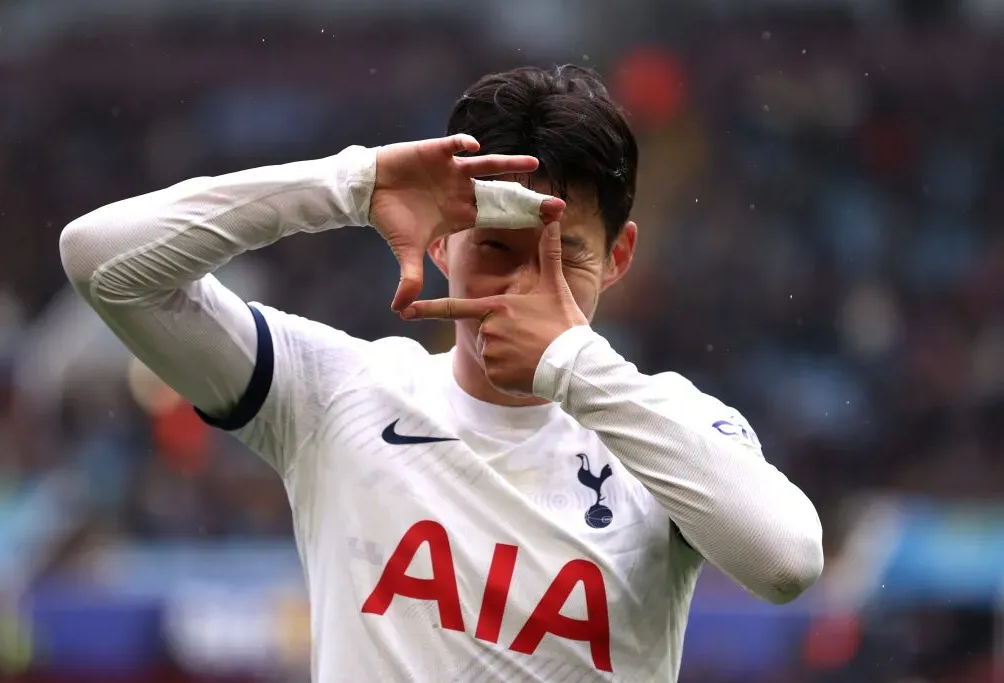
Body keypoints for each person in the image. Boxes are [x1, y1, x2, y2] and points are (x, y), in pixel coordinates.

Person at [60, 65, 823, 682]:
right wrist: (349, 187)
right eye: (497, 247)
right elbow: (101, 260)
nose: (528, 287)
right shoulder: (334, 393)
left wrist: (571, 364)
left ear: (619, 258)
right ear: (438, 241)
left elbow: (788, 561)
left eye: (567, 256)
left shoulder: (664, 427)